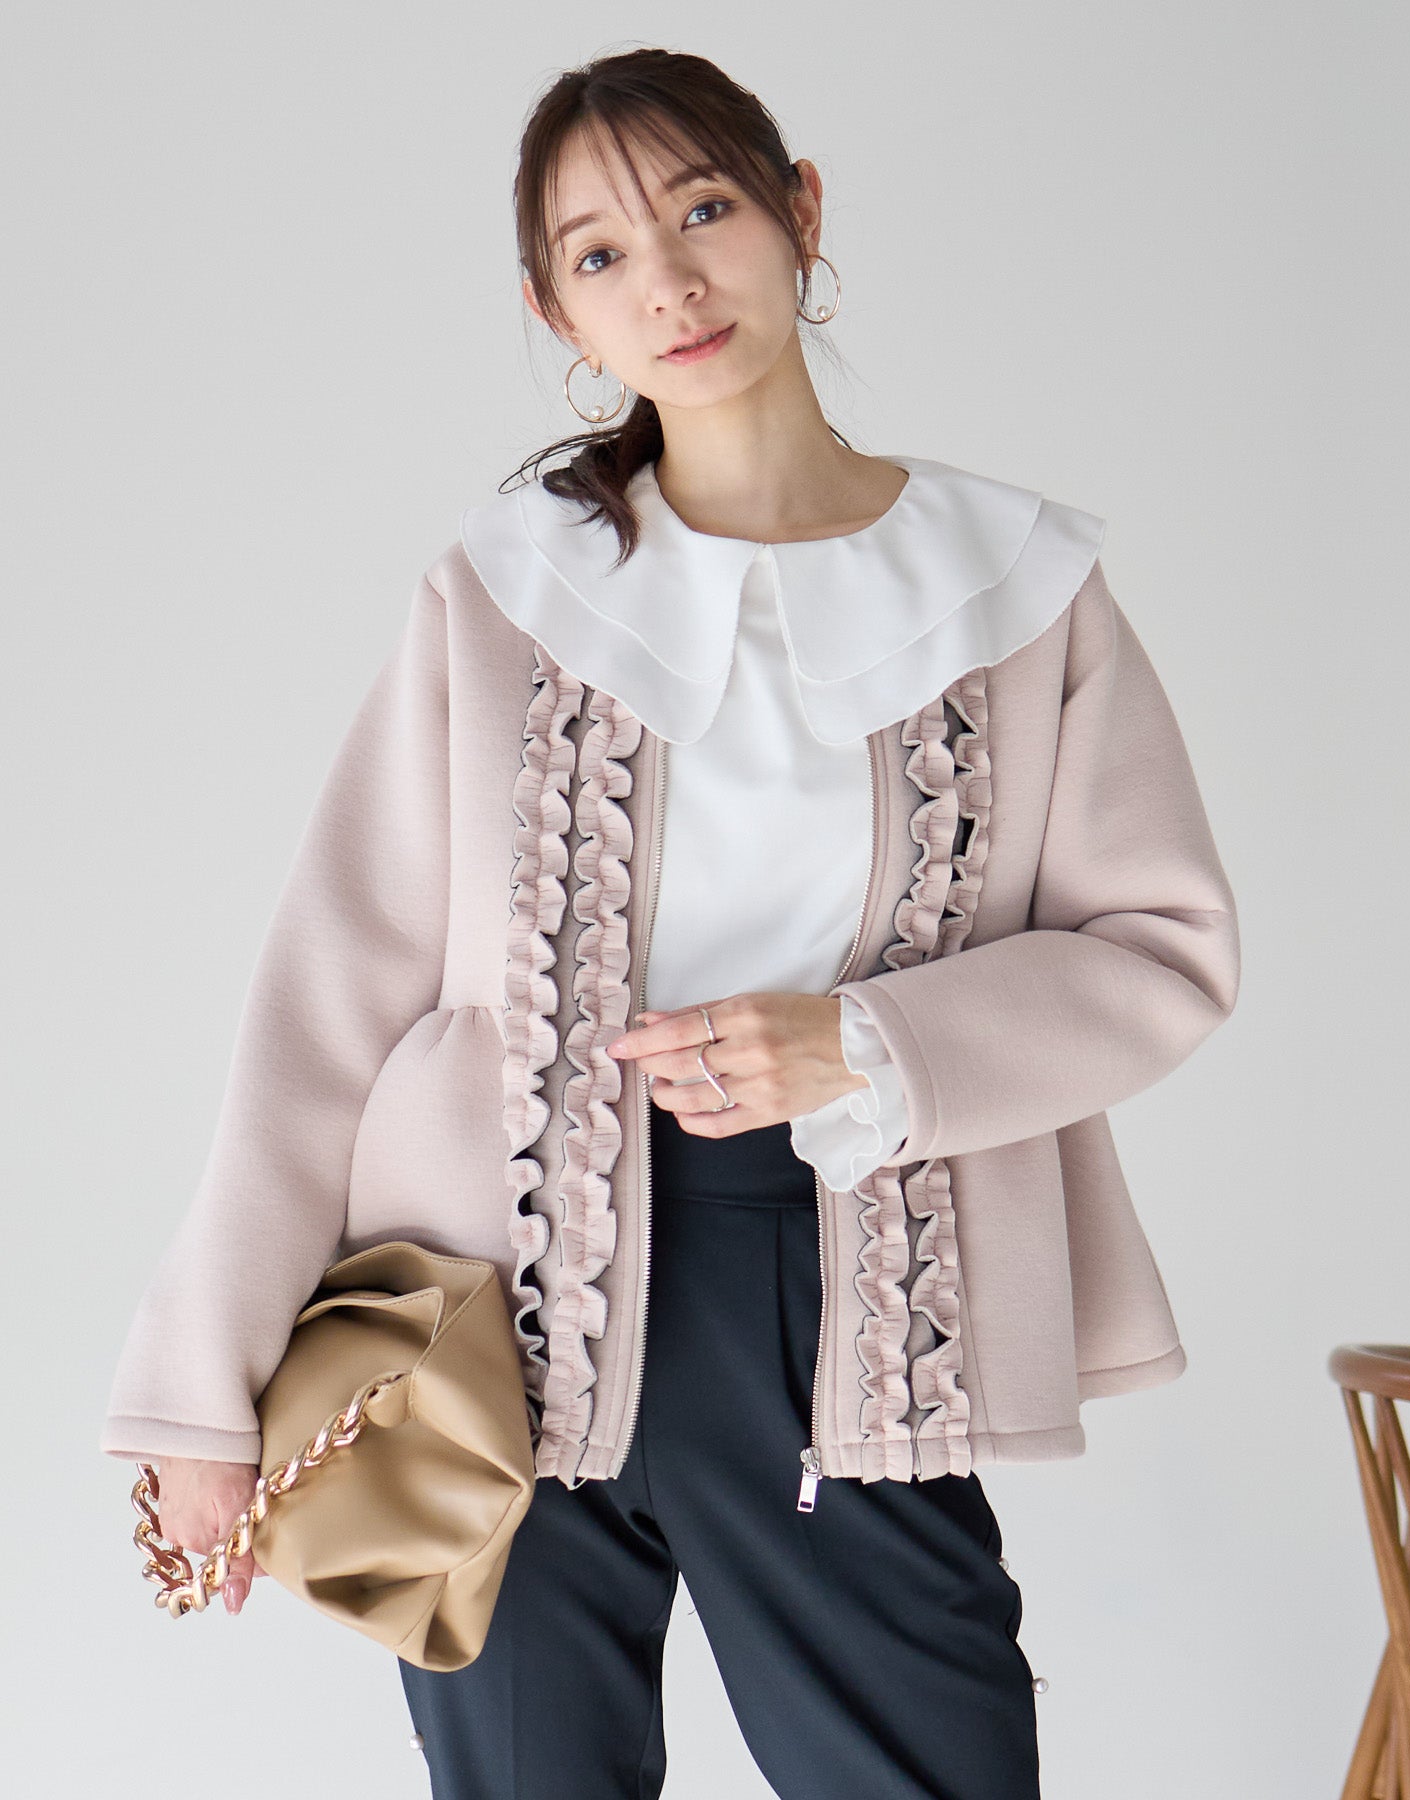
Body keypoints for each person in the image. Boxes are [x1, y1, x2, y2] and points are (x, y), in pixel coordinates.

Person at [101, 45, 1241, 1800]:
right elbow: (328, 1003)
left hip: (837, 1284)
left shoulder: (1016, 586)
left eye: (704, 210)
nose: (671, 283)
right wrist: (200, 1387)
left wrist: (860, 1044)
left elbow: (1162, 950)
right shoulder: (508, 589)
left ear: (799, 215)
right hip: (486, 1313)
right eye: (602, 254)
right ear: (556, 309)